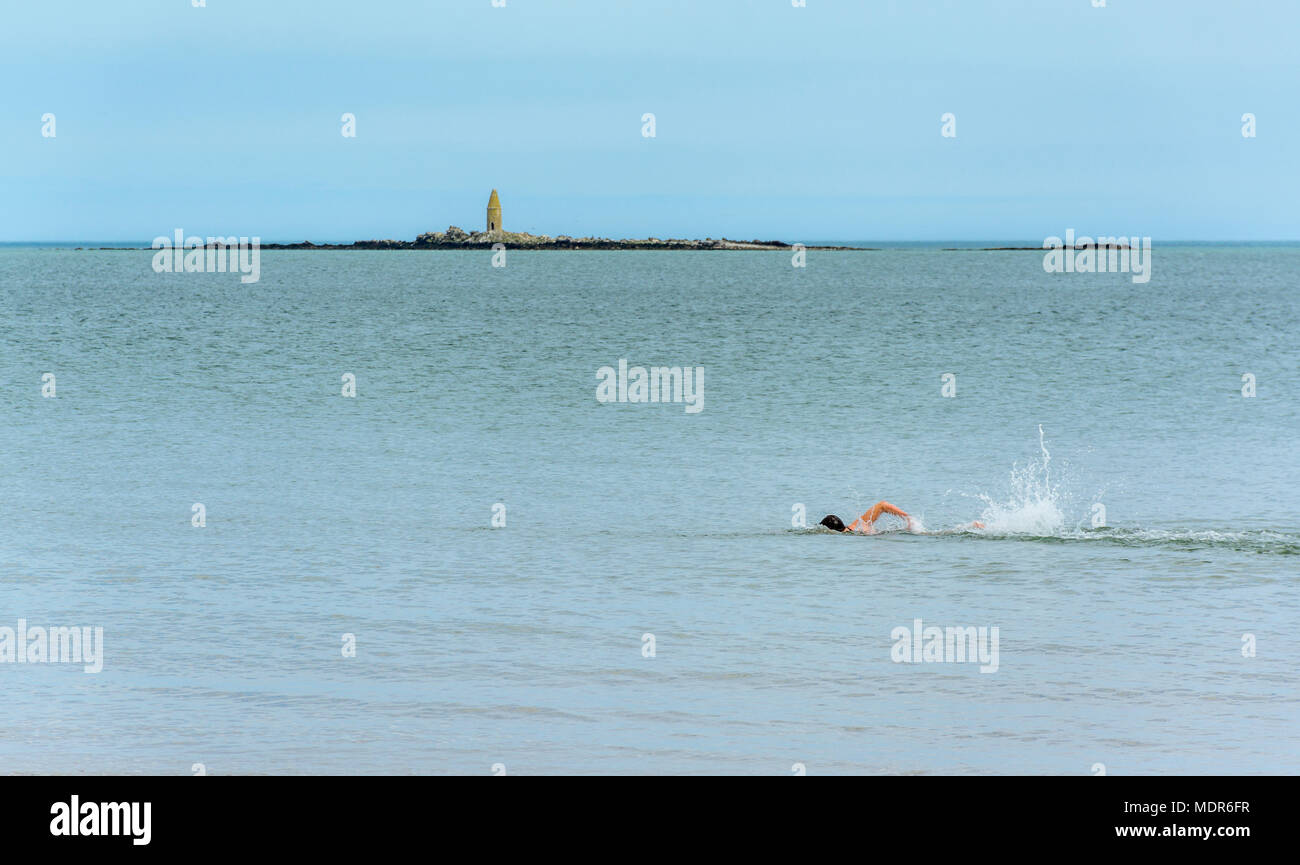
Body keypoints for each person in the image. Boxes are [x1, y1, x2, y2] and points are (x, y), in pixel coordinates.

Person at [820, 501, 984, 534]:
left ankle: (970, 526)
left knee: (938, 535)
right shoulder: (857, 524)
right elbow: (882, 505)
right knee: (938, 533)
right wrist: (907, 517)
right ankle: (970, 526)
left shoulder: (853, 530)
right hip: (901, 532)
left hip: (903, 534)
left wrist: (908, 518)